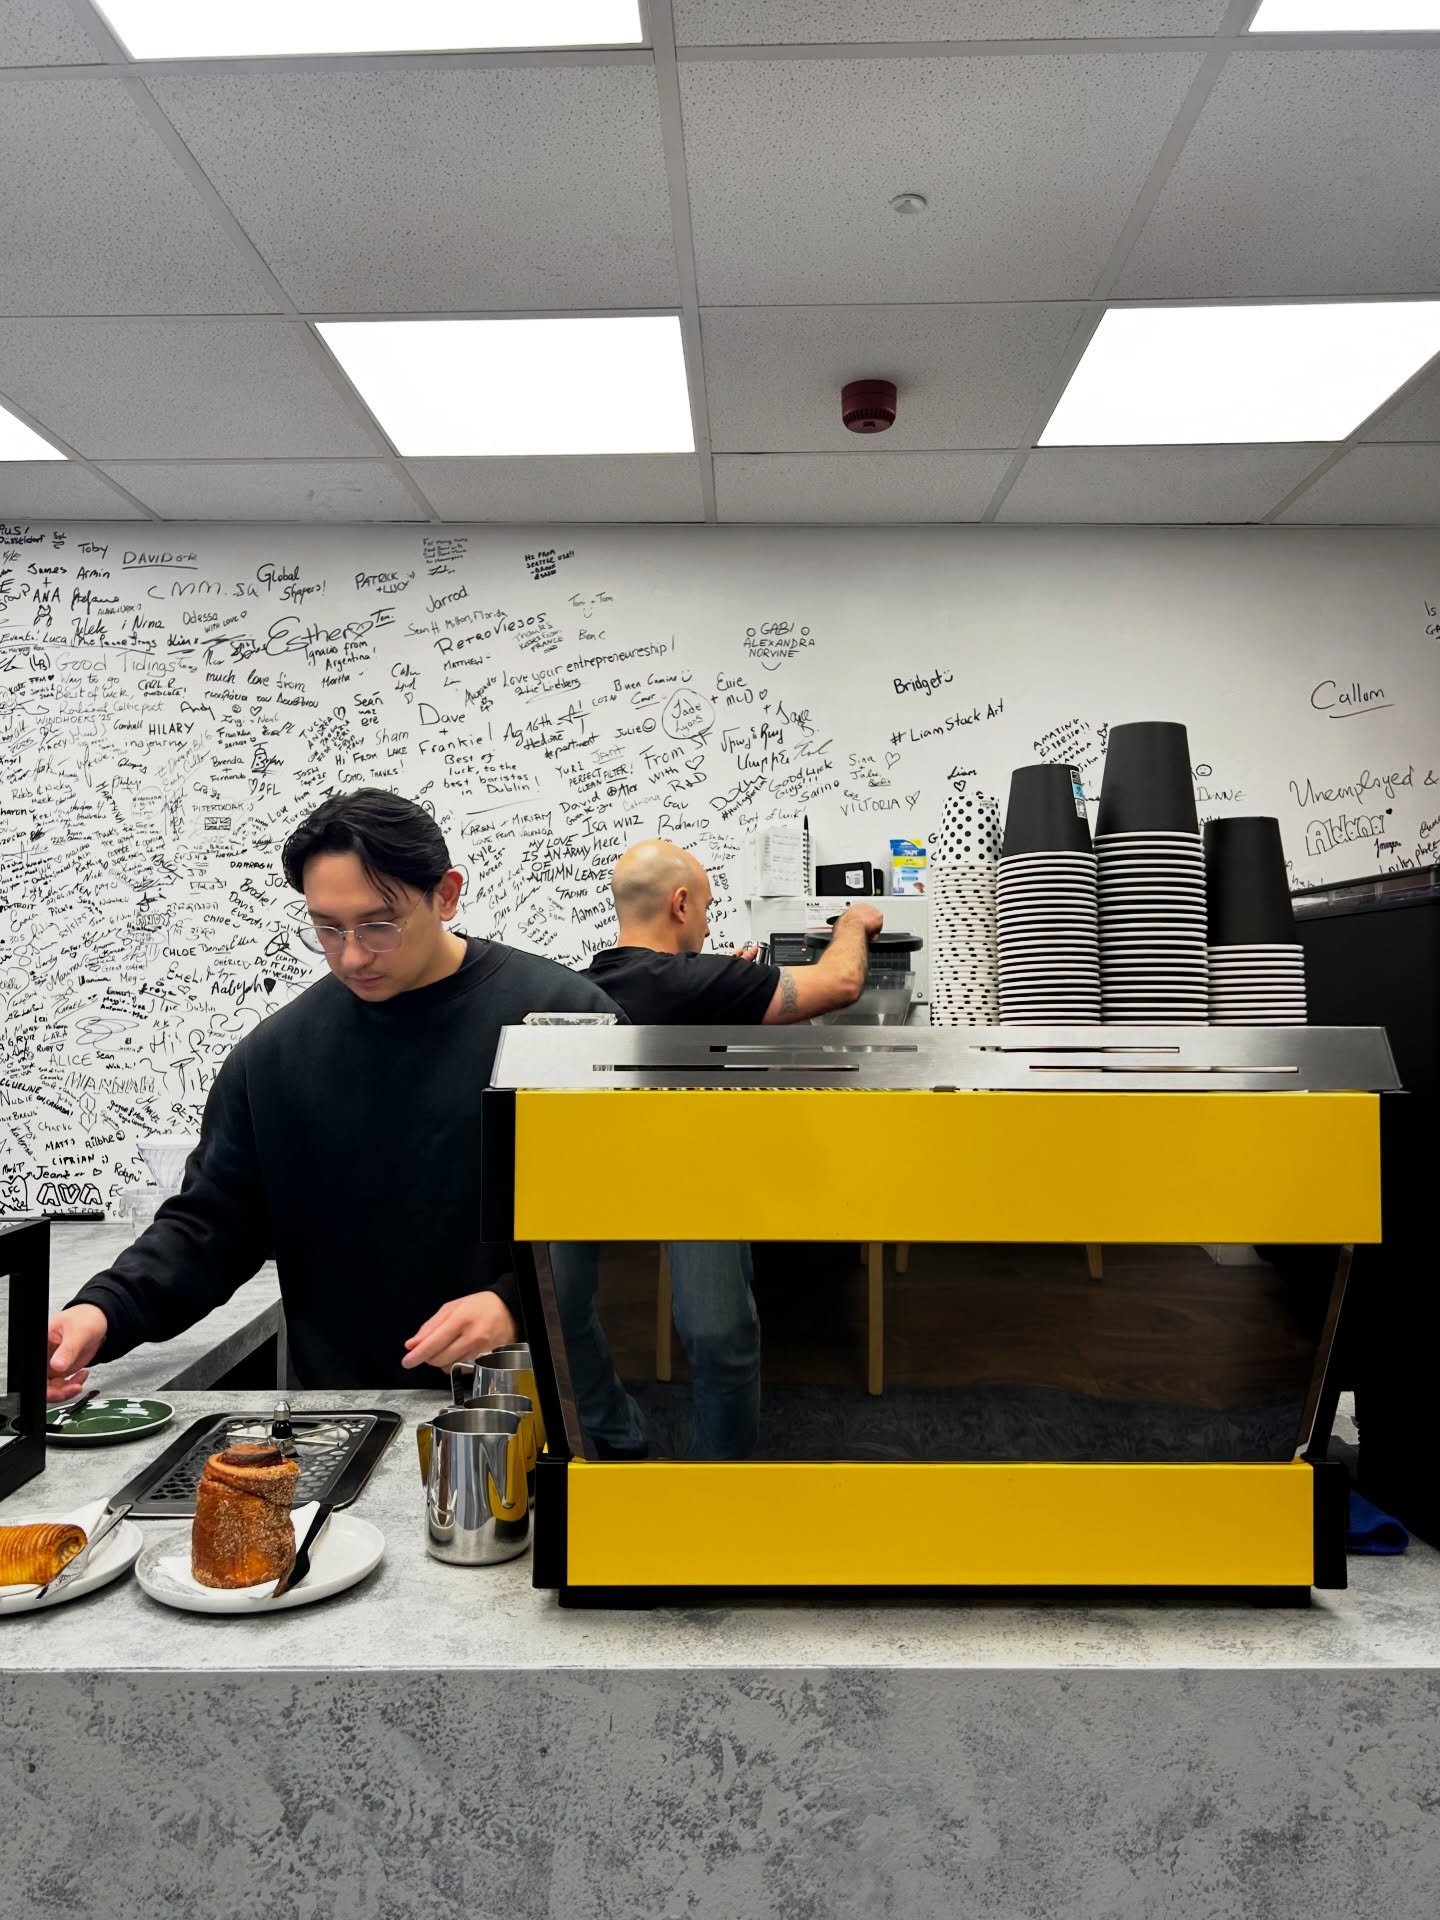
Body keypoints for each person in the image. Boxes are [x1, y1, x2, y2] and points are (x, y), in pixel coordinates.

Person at [45, 788, 620, 1401]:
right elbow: (212, 1224)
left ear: (446, 894)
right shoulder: (275, 1058)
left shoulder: (566, 1020)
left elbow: (627, 1208)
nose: (352, 956)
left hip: (541, 1403)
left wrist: (517, 1305)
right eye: (328, 927)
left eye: (379, 924)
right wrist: (100, 1313)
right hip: (345, 1415)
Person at [550, 839, 883, 1460]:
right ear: (680, 905)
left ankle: (616, 1435)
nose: (706, 921)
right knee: (719, 1333)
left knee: (558, 1310)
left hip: (587, 1172)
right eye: (704, 907)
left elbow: (673, 996)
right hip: (688, 1172)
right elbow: (841, 981)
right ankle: (719, 1477)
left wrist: (726, 982)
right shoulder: (694, 981)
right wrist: (853, 922)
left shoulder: (581, 985)